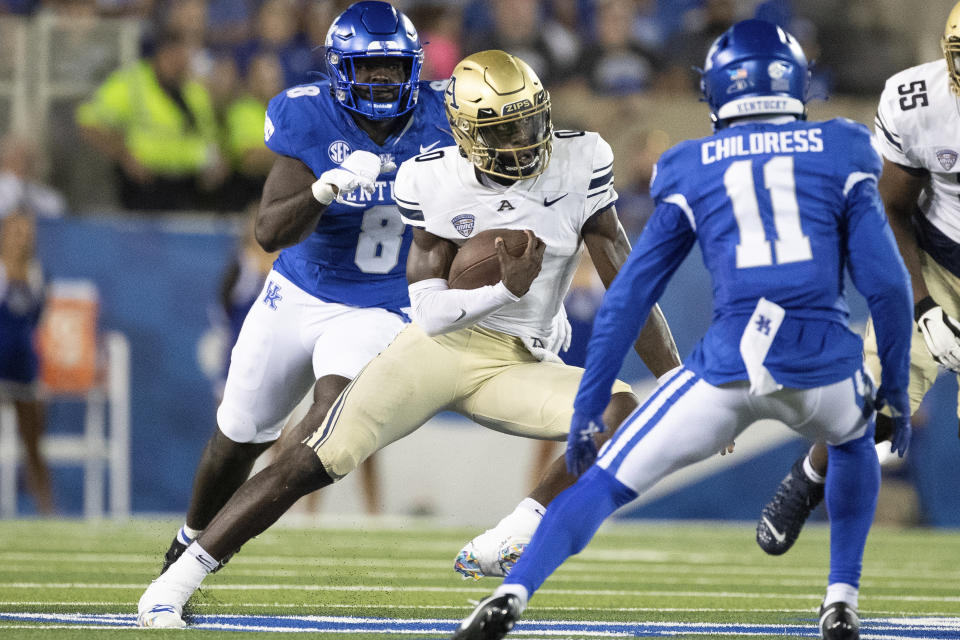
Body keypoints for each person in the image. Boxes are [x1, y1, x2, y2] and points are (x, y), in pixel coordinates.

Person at [137, 48, 681, 628]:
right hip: (438, 347)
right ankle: (174, 582)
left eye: (528, 119)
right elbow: (431, 311)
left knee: (619, 407)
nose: (523, 139)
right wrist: (506, 292)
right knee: (309, 458)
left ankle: (514, 531)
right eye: (502, 129)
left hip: (516, 361)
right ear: (466, 133)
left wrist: (676, 379)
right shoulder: (432, 177)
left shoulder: (580, 159)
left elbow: (628, 285)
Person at [453, 20, 913, 640]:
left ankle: (512, 594)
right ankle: (840, 599)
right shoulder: (844, 147)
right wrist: (895, 395)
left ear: (717, 91)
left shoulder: (691, 163)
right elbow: (888, 286)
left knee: (607, 479)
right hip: (823, 365)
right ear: (796, 85)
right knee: (853, 439)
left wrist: (591, 406)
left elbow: (630, 297)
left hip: (726, 367)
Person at [150, 0, 452, 582]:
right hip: (299, 293)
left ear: (414, 66)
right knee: (236, 437)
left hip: (381, 302)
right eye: (369, 68)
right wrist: (324, 191)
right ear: (342, 69)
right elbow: (267, 232)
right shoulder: (309, 117)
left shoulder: (445, 118)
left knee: (323, 427)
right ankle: (188, 538)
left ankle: (205, 557)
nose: (383, 80)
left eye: (393, 66)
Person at [755, 0, 960, 557]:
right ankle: (809, 476)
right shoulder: (919, 101)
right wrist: (923, 308)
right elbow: (891, 207)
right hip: (939, 264)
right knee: (871, 408)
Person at [75, 28, 226, 211]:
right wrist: (124, 155)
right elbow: (88, 122)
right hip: (146, 183)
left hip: (189, 184)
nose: (179, 65)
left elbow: (209, 136)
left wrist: (217, 164)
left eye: (183, 59)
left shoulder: (194, 90)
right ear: (161, 54)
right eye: (174, 58)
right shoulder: (133, 83)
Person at [0, 210, 53, 515]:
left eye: (28, 232)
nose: (24, 239)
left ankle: (48, 511)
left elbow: (36, 320)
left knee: (34, 445)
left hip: (23, 370)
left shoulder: (37, 275)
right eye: (17, 232)